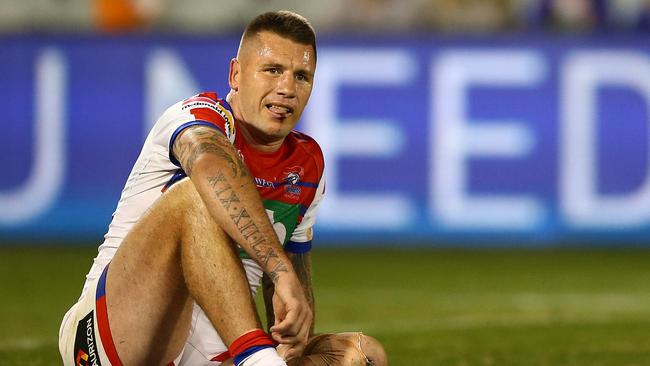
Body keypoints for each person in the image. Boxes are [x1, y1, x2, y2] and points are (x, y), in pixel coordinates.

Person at [58, 10, 386, 366]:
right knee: (194, 196)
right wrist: (278, 268)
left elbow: (292, 290)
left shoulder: (307, 164)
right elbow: (208, 164)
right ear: (236, 75)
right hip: (113, 337)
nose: (287, 89)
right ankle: (258, 358)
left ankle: (259, 357)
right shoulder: (196, 119)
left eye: (302, 76)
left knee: (362, 354)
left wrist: (293, 336)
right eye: (272, 70)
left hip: (215, 351)